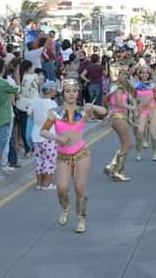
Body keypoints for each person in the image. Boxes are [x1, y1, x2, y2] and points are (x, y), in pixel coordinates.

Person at [39, 78, 107, 233]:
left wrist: (93, 105)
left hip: (81, 153)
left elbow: (104, 113)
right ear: (62, 93)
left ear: (78, 93)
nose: (71, 94)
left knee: (79, 188)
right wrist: (57, 138)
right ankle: (66, 207)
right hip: (63, 156)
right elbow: (42, 131)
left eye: (74, 91)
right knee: (62, 188)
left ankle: (81, 218)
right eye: (68, 91)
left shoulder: (83, 111)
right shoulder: (55, 112)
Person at [103, 72, 136, 181]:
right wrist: (133, 108)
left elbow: (107, 102)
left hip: (118, 116)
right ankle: (117, 171)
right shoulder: (119, 88)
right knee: (127, 144)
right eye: (123, 75)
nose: (126, 77)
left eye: (127, 75)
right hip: (119, 116)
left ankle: (111, 167)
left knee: (126, 144)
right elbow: (120, 103)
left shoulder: (115, 88)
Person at [31, 80, 58, 190]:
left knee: (39, 160)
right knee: (49, 160)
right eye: (55, 90)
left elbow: (31, 115)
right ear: (51, 91)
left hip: (36, 134)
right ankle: (47, 184)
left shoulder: (37, 101)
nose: (56, 92)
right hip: (48, 134)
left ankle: (39, 183)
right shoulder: (52, 104)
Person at [133, 67, 156, 162]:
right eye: (142, 73)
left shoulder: (153, 85)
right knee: (139, 131)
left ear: (149, 75)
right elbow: (134, 99)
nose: (144, 75)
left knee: (153, 132)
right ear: (139, 75)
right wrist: (135, 110)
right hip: (141, 110)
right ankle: (138, 152)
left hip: (152, 109)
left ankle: (155, 153)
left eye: (146, 73)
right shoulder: (136, 85)